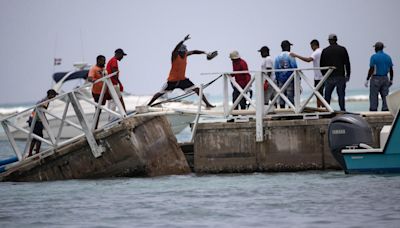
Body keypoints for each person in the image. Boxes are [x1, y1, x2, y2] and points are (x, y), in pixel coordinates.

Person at [147, 35, 215, 108]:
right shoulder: (175, 56)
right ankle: (148, 105)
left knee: (197, 89)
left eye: (185, 51)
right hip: (172, 81)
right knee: (160, 93)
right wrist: (183, 40)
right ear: (179, 52)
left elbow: (194, 51)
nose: (184, 53)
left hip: (182, 80)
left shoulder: (185, 54)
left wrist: (206, 52)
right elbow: (175, 49)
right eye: (183, 52)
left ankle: (207, 104)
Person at [320, 34, 351, 111]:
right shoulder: (342, 49)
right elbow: (347, 63)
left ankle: (327, 110)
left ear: (329, 41)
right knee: (341, 95)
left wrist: (324, 75)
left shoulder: (325, 51)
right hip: (340, 76)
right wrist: (348, 74)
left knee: (327, 95)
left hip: (329, 76)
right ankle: (342, 110)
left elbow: (321, 65)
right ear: (336, 40)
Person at [290, 39, 324, 108]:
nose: (311, 48)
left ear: (315, 45)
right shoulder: (322, 51)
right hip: (323, 75)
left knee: (318, 94)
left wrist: (296, 55)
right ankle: (322, 108)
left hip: (319, 76)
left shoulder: (316, 52)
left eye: (311, 46)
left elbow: (308, 60)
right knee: (320, 94)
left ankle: (320, 108)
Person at [27, 89, 58, 157]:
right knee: (39, 137)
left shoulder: (45, 100)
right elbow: (41, 111)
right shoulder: (45, 101)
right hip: (36, 120)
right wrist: (45, 121)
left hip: (34, 119)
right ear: (50, 95)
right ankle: (36, 154)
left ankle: (31, 153)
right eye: (54, 95)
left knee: (36, 137)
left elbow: (41, 111)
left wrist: (45, 120)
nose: (55, 97)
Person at [364, 41, 394, 111]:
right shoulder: (388, 57)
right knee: (385, 96)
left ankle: (373, 110)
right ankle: (385, 109)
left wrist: (367, 79)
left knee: (373, 96)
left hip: (375, 78)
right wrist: (391, 79)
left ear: (376, 48)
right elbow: (391, 70)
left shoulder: (374, 57)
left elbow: (371, 69)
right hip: (385, 78)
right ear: (382, 48)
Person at [274, 40, 298, 109]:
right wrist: (297, 78)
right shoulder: (291, 55)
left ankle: (282, 111)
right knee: (290, 96)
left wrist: (278, 79)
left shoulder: (277, 57)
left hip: (281, 79)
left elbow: (276, 69)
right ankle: (291, 111)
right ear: (288, 47)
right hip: (290, 78)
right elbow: (294, 67)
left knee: (281, 96)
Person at [88, 55, 108, 129]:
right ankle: (94, 127)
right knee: (98, 110)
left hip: (104, 91)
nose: (104, 62)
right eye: (103, 60)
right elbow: (89, 78)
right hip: (96, 92)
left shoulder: (104, 69)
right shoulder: (94, 69)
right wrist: (94, 80)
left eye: (105, 60)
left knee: (101, 107)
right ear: (98, 61)